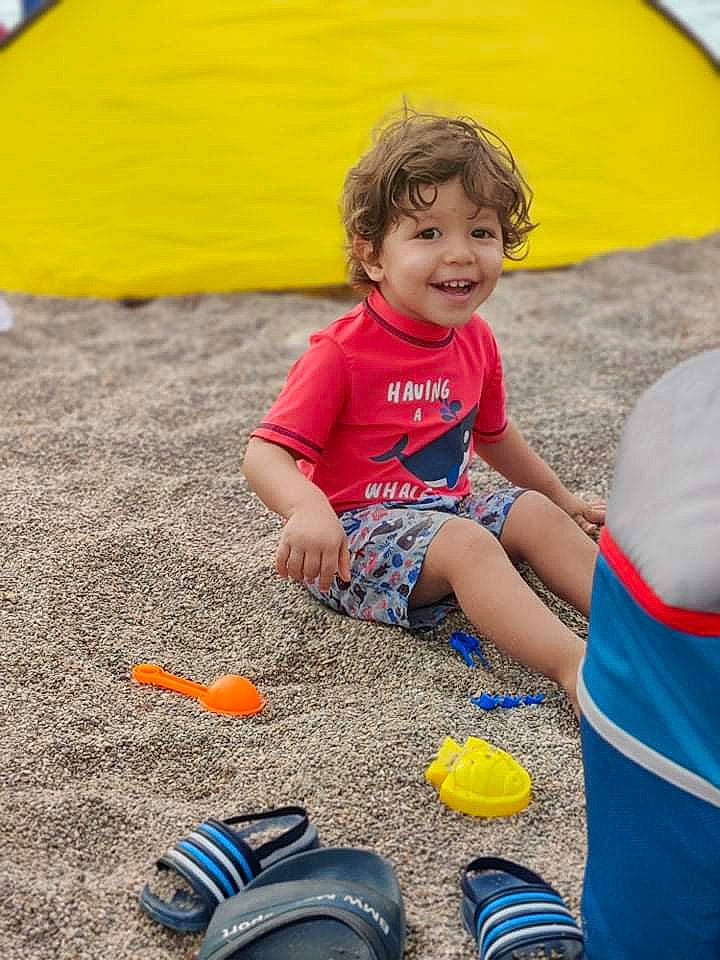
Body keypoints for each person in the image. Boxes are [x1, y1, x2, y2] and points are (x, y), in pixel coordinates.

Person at [243, 110, 605, 711]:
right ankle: (577, 667)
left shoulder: (476, 339)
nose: (461, 255)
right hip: (353, 541)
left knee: (535, 513)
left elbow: (493, 434)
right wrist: (308, 511)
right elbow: (265, 451)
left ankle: (642, 628)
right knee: (466, 543)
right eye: (428, 233)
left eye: (481, 233)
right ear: (374, 256)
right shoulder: (341, 353)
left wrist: (564, 502)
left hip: (443, 511)